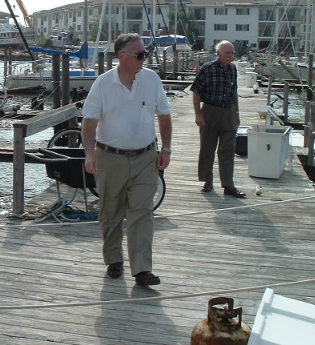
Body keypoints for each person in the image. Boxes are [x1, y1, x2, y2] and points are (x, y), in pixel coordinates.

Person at [82, 33, 172, 286]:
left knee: (142, 212)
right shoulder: (102, 84)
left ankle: (142, 269)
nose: (145, 59)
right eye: (140, 55)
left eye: (145, 54)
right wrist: (90, 154)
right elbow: (89, 122)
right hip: (110, 157)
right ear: (122, 56)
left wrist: (166, 149)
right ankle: (114, 260)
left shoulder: (152, 80)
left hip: (145, 156)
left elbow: (164, 115)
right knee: (110, 211)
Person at [190, 40, 246, 198]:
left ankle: (228, 185)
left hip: (228, 112)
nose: (231, 55)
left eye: (232, 53)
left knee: (228, 149)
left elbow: (234, 92)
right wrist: (198, 114)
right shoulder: (207, 68)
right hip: (210, 111)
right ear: (218, 53)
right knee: (207, 148)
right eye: (227, 52)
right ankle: (207, 180)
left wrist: (237, 113)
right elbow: (196, 92)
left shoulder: (233, 69)